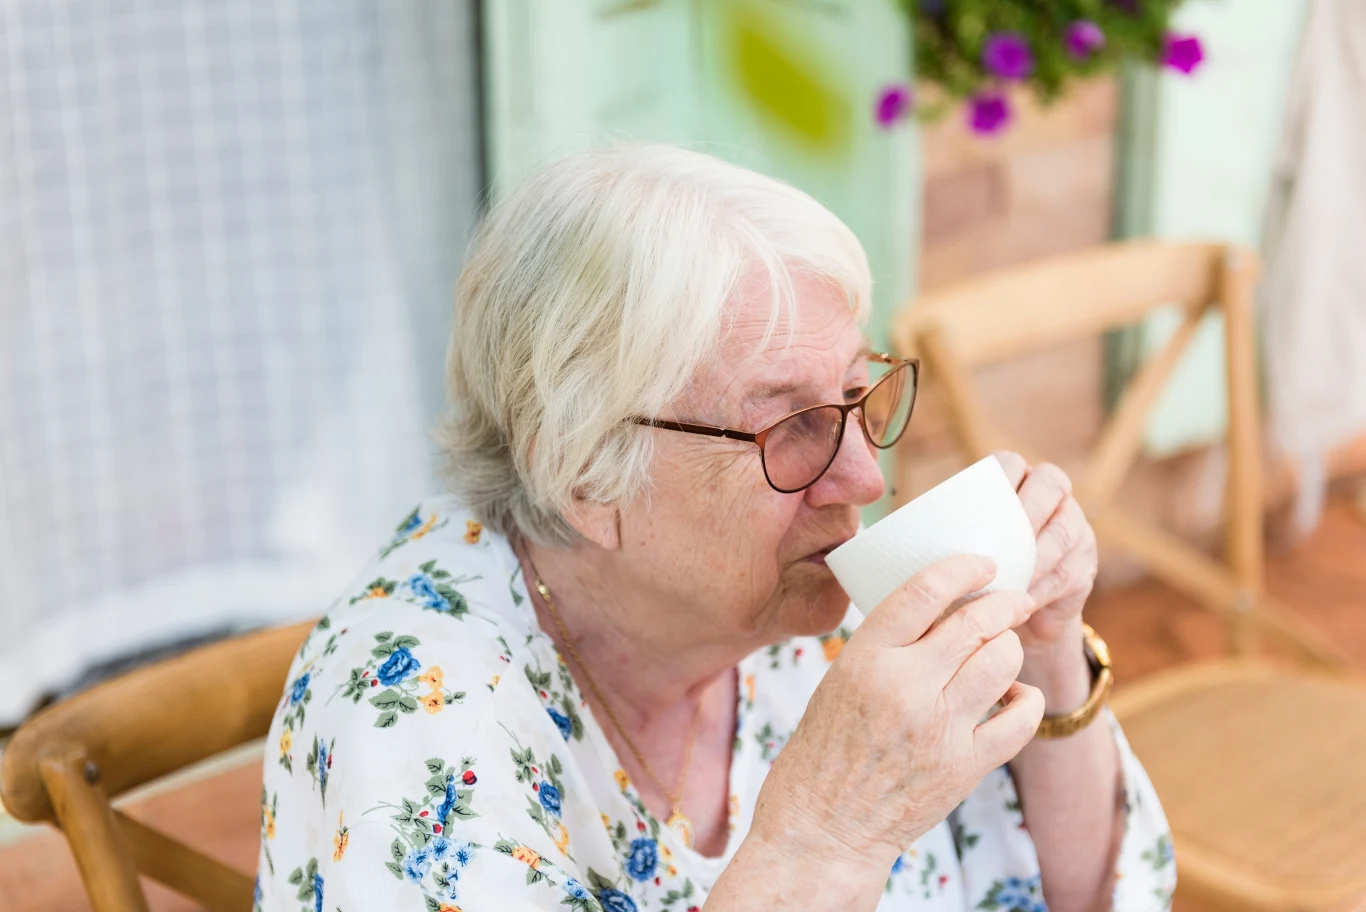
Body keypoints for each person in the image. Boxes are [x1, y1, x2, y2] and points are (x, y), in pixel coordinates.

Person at [253, 144, 1174, 912]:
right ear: (583, 474)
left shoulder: (807, 604)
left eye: (856, 395)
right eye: (790, 426)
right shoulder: (414, 724)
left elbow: (1094, 892)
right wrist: (823, 839)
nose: (864, 477)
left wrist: (1049, 657)